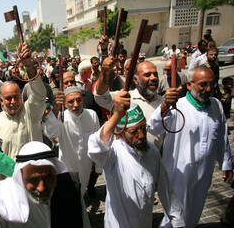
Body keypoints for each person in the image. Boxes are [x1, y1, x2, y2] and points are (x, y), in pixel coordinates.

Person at [148, 67, 233, 228]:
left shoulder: (216, 105)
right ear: (189, 85)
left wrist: (226, 163)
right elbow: (153, 127)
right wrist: (165, 105)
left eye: (211, 84)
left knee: (194, 212)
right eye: (202, 84)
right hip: (178, 174)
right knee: (175, 217)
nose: (208, 89)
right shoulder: (177, 106)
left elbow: (222, 136)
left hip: (204, 172)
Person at [88, 90, 185, 227]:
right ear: (121, 134)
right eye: (134, 131)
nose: (141, 135)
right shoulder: (112, 154)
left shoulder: (152, 151)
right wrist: (117, 115)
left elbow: (165, 187)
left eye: (143, 128)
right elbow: (95, 145)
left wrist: (177, 219)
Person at [0, 141, 91, 227]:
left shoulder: (69, 188)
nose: (42, 187)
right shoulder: (4, 196)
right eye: (33, 179)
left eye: (48, 177)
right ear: (20, 176)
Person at [0, 42, 46, 161]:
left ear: (21, 96)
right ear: (1, 100)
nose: (13, 101)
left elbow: (40, 95)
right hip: (9, 178)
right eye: (8, 98)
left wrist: (29, 66)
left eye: (16, 97)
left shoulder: (30, 111)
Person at [94, 55, 164, 149]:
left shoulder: (163, 103)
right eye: (147, 75)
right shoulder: (124, 98)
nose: (153, 78)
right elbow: (101, 97)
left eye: (155, 74)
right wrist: (104, 73)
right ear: (135, 80)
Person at [44, 86, 100, 196]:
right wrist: (55, 109)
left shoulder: (92, 115)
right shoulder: (60, 117)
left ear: (83, 99)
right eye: (70, 101)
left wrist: (98, 167)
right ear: (64, 103)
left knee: (82, 193)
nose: (75, 105)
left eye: (78, 100)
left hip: (86, 165)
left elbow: (97, 142)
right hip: (67, 165)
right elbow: (51, 133)